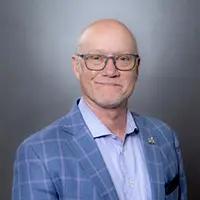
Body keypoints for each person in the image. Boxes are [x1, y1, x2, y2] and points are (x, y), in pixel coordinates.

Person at [12, 19, 187, 200]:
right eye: (96, 58)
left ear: (137, 67)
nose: (110, 71)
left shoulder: (164, 137)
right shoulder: (38, 153)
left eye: (123, 59)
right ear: (76, 66)